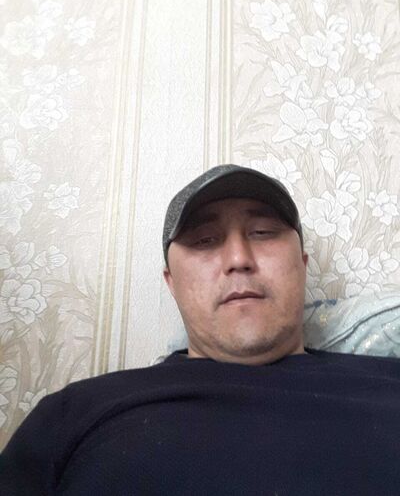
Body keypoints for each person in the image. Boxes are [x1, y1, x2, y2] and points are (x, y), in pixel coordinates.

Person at [1, 164, 399, 496]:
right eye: (205, 240)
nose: (239, 258)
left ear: (303, 264)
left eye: (262, 232)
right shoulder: (76, 413)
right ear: (171, 282)